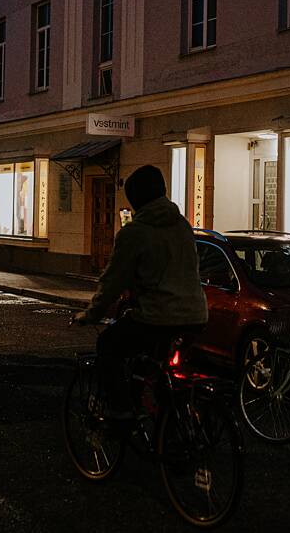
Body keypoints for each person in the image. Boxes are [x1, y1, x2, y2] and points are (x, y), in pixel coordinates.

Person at [72, 165, 208, 419]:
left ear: (136, 200)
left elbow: (113, 281)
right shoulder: (183, 226)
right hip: (196, 315)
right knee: (156, 369)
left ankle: (120, 410)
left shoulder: (134, 233)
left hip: (158, 316)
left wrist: (91, 314)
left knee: (109, 344)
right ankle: (170, 423)